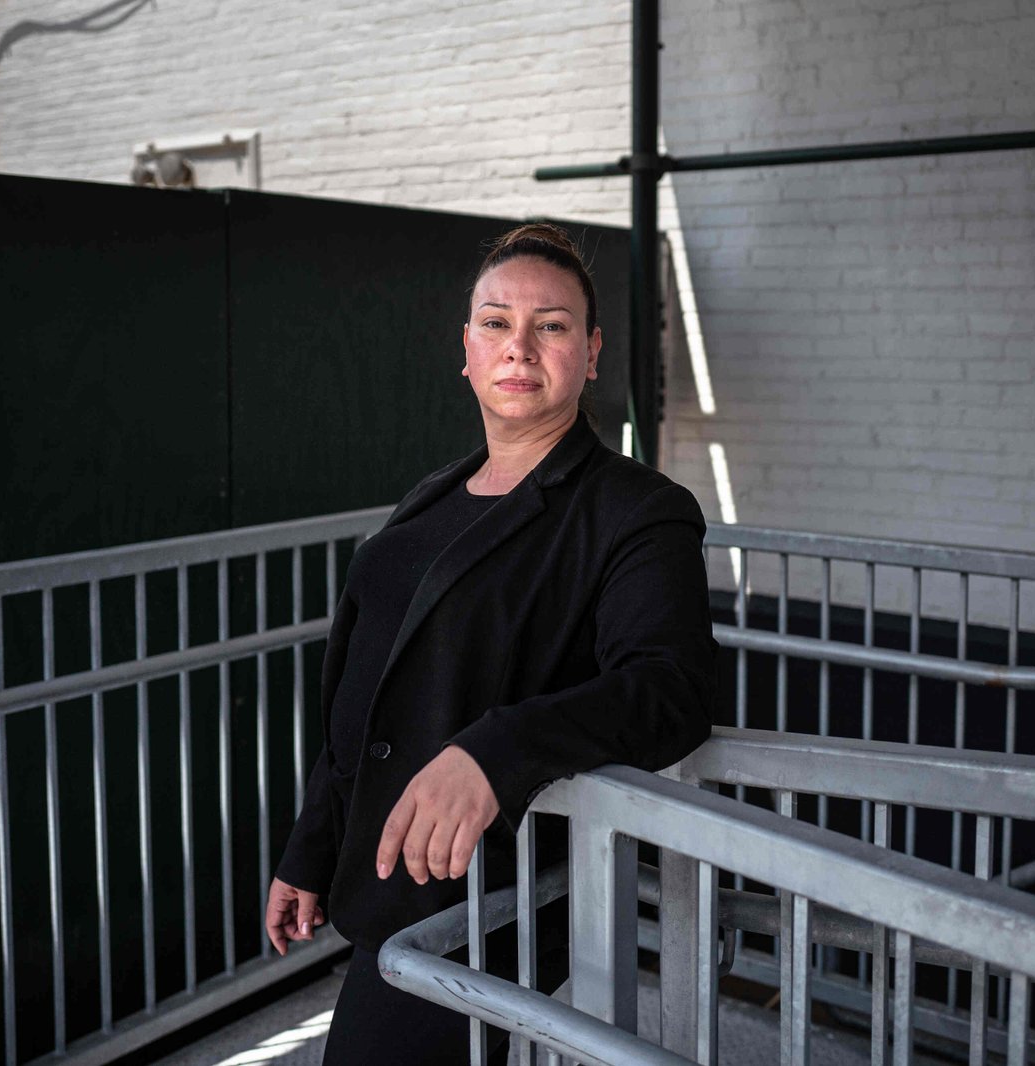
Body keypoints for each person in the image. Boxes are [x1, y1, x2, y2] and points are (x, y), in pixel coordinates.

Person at [262, 222, 718, 1064]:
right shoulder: (432, 497)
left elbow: (671, 686)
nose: (520, 346)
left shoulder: (636, 509)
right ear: (466, 351)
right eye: (497, 323)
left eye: (550, 325)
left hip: (489, 909)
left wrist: (498, 750)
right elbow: (369, 694)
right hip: (387, 894)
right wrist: (313, 846)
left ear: (590, 354)